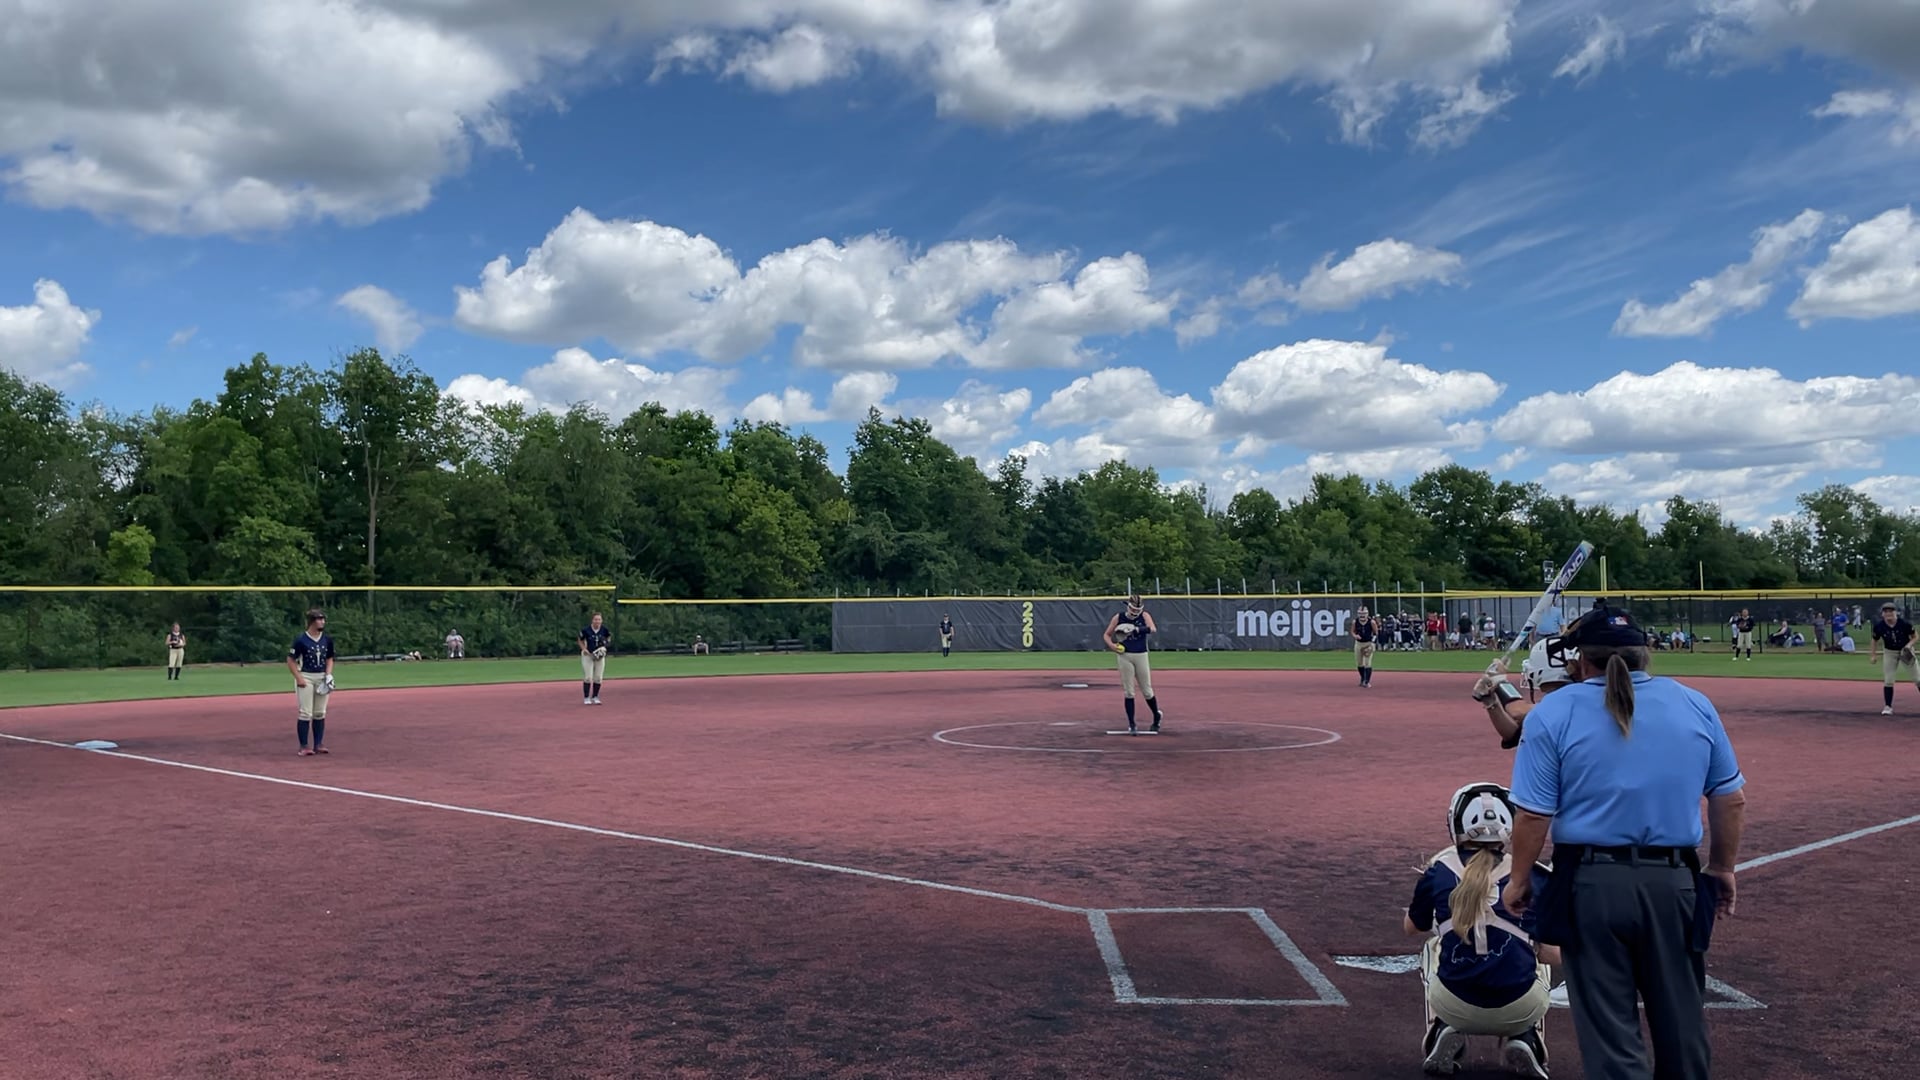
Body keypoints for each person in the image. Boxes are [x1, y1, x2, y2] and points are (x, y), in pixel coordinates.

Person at [1503, 605, 1747, 1080]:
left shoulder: (1554, 712)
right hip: (1674, 883)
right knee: (1683, 1025)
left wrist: (1518, 878)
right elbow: (1730, 799)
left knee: (1611, 1037)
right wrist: (1722, 867)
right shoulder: (1693, 703)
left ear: (1580, 659)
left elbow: (1533, 814)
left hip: (1591, 885)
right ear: (1645, 652)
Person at [1407, 783, 1558, 1078]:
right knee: (1537, 950)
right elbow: (1555, 954)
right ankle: (1527, 1037)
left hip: (1454, 1004)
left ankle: (1441, 1028)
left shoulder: (1439, 870)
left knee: (1432, 945)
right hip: (1520, 1005)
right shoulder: (1533, 875)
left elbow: (1412, 927)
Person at [1471, 640, 1577, 750]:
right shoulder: (1564, 698)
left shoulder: (1570, 698)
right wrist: (1491, 703)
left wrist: (1500, 681)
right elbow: (1513, 734)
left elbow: (1518, 712)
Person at [1102, 594, 1164, 735]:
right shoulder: (1119, 617)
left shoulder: (1144, 616)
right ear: (1128, 606)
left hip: (1141, 654)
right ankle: (1132, 723)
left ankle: (1156, 715)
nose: (1135, 612)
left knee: (1147, 690)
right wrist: (1112, 646)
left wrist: (1136, 629)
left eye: (1138, 610)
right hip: (1124, 655)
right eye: (1133, 609)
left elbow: (1152, 629)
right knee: (1129, 691)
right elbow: (1106, 634)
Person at [286, 608, 337, 757]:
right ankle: (304, 746)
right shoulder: (301, 640)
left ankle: (318, 744)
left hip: (321, 677)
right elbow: (290, 659)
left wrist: (328, 675)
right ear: (311, 622)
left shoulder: (327, 640)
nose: (322, 622)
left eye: (323, 619)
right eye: (319, 619)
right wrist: (298, 677)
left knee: (320, 712)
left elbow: (329, 658)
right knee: (305, 712)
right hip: (306, 676)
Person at [1867, 602, 1918, 716]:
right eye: (1886, 611)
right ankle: (1888, 706)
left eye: (1891, 611)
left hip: (1905, 651)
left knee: (1917, 678)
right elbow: (1874, 640)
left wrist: (1909, 645)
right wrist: (1873, 655)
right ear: (1882, 614)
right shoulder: (1879, 626)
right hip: (1890, 652)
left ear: (1896, 613)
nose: (1888, 614)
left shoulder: (1904, 624)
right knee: (1888, 680)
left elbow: (1915, 636)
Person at [579, 613, 610, 705]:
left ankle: (595, 696)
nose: (597, 621)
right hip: (588, 655)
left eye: (599, 619)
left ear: (601, 620)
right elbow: (580, 639)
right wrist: (584, 649)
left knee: (598, 678)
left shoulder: (604, 630)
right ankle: (586, 697)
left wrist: (605, 645)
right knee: (588, 677)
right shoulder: (586, 630)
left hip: (599, 656)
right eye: (595, 619)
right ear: (592, 620)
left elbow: (608, 638)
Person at [1351, 605, 1378, 689]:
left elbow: (1376, 633)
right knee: (1359, 663)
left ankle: (1367, 681)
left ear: (1367, 614)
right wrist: (1355, 636)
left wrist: (1372, 644)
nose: (1362, 615)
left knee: (1367, 663)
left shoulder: (1371, 622)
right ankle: (1363, 678)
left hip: (1368, 643)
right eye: (1360, 614)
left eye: (1364, 614)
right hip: (1359, 644)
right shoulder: (1355, 622)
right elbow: (1352, 631)